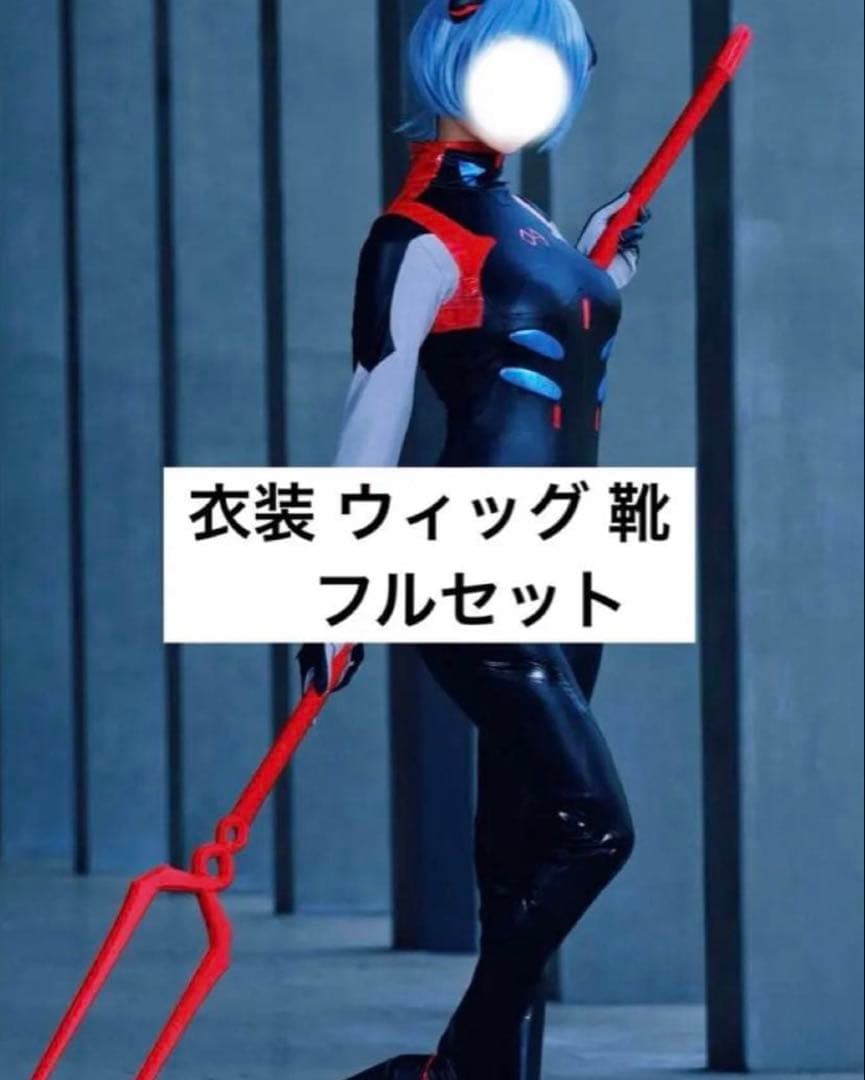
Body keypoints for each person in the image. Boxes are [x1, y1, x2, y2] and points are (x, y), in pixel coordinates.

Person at [298, 1, 650, 1076]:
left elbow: (545, 340)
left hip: (569, 566)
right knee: (593, 829)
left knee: (521, 865)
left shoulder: (527, 224)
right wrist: (338, 590)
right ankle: (455, 1066)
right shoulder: (414, 233)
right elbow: (376, 403)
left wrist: (598, 267)